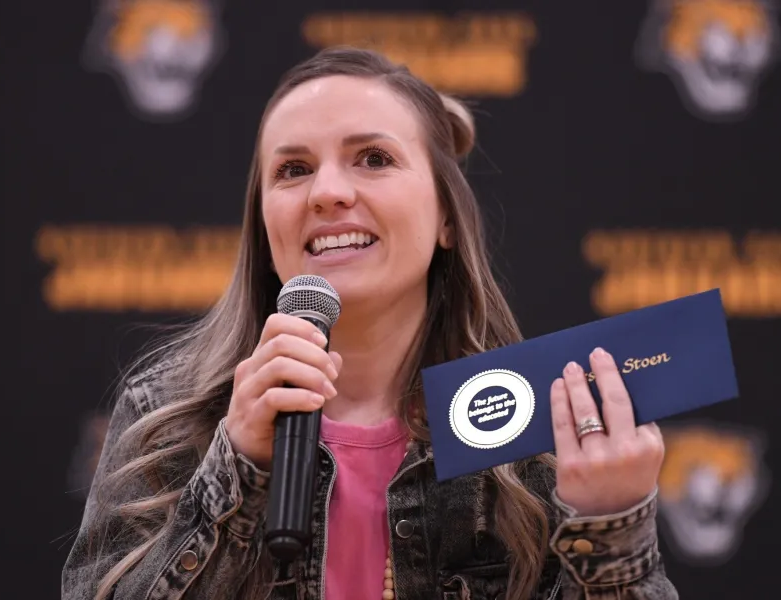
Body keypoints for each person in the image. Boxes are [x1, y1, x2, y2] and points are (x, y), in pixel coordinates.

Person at [62, 46, 678, 600]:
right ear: (263, 225)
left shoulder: (534, 429)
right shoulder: (167, 413)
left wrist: (612, 530)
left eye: (373, 158)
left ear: (447, 220)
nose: (327, 192)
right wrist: (237, 467)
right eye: (293, 169)